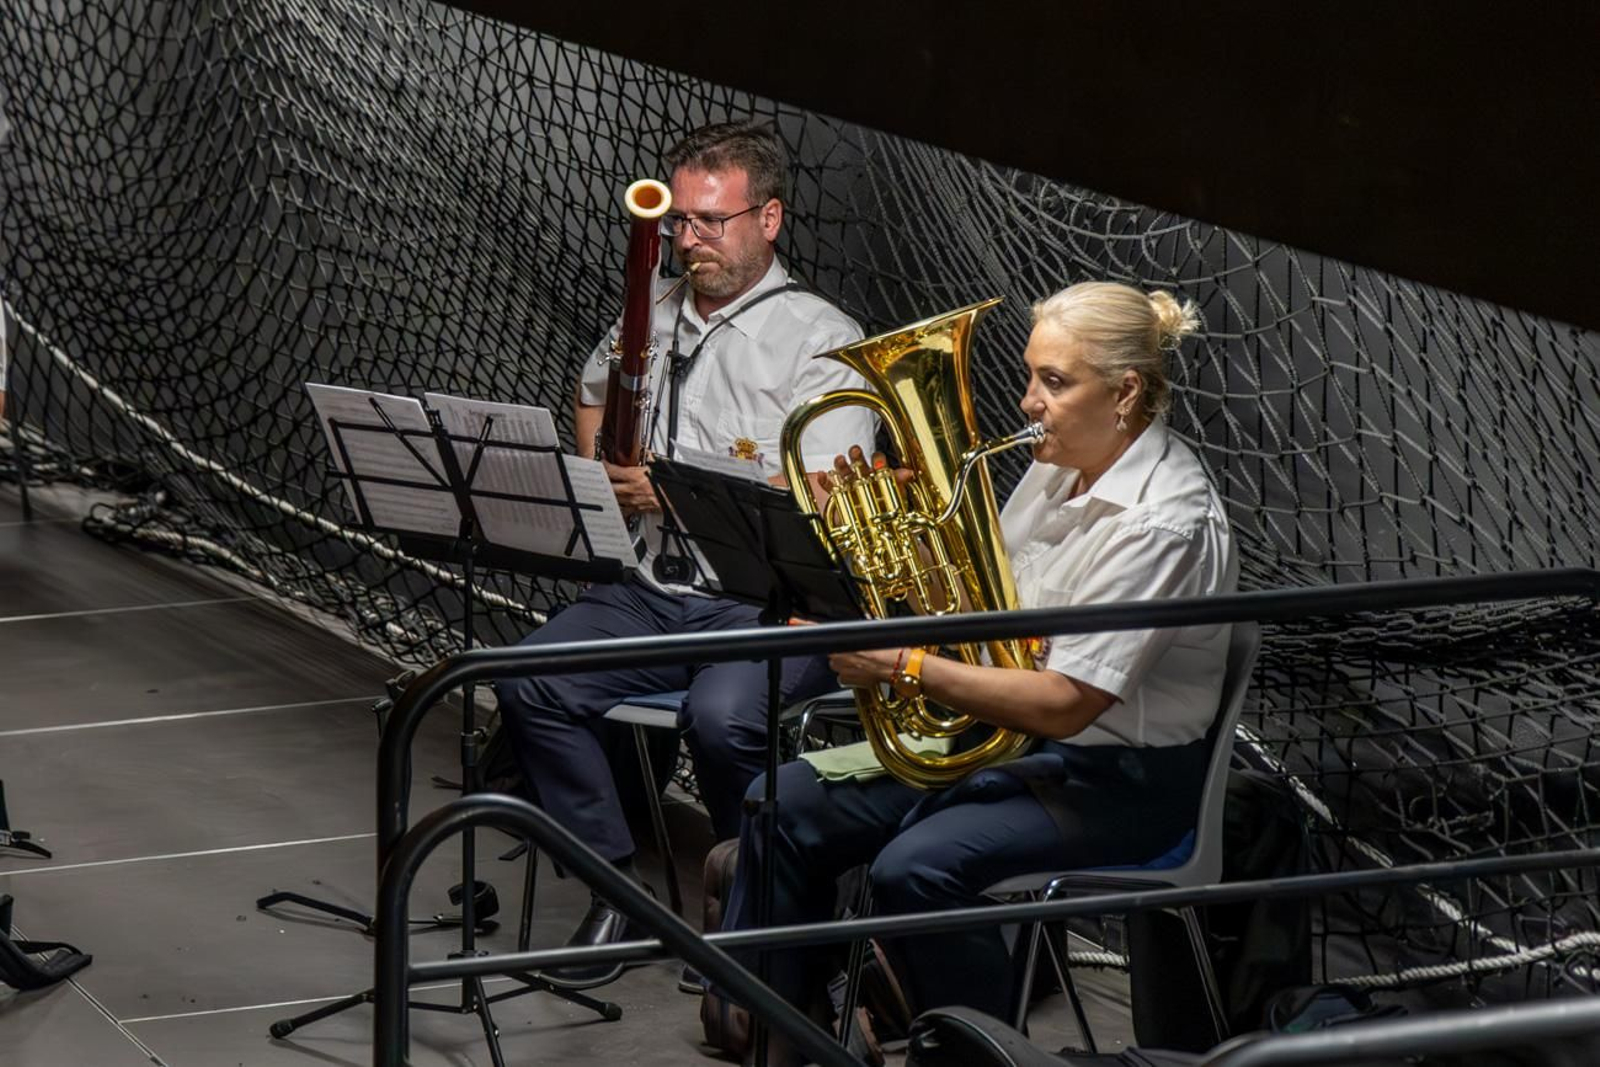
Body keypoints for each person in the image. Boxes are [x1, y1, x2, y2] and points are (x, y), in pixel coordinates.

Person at [716, 280, 1239, 1049]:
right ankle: (794, 1039)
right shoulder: (1058, 465)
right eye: (1031, 375)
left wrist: (903, 666)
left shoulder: (1165, 519)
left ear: (1125, 392)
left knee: (914, 869)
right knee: (778, 803)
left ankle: (982, 1054)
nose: (1028, 401)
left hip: (1120, 779)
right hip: (1019, 748)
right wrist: (868, 528)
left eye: (1054, 382)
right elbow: (981, 610)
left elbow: (1065, 702)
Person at [493, 120, 875, 988]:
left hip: (768, 601)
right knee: (528, 677)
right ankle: (612, 886)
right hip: (653, 585)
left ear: (769, 219)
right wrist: (602, 465)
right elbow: (593, 392)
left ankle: (754, 915)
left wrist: (668, 491)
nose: (688, 239)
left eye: (711, 221)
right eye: (680, 222)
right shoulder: (655, 310)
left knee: (722, 715)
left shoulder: (821, 339)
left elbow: (828, 501)